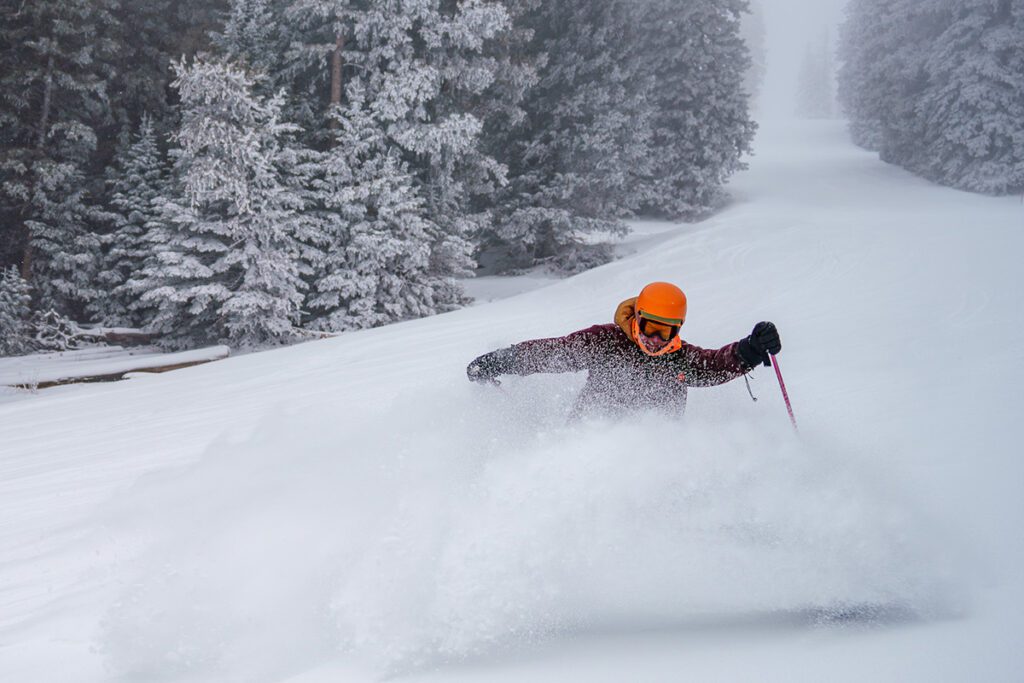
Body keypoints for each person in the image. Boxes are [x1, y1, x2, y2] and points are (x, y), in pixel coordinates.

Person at [466, 282, 781, 419]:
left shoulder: (679, 358)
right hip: (584, 444)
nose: (655, 339)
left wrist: (751, 350)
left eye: (666, 331)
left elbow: (714, 366)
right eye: (650, 328)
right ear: (637, 317)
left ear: (678, 329)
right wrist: (502, 361)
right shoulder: (605, 341)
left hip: (649, 459)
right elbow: (553, 353)